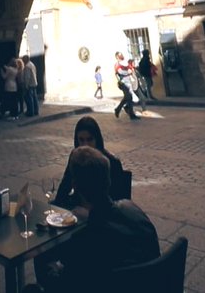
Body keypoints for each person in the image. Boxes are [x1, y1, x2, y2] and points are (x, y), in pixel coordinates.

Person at [34, 147, 159, 292]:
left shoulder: (86, 238)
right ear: (108, 179)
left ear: (74, 185)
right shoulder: (134, 210)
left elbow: (67, 280)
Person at [53, 116, 127, 209]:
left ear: (97, 139)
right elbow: (65, 185)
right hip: (79, 206)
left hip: (103, 212)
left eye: (89, 139)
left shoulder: (112, 162)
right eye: (81, 140)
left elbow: (117, 201)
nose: (85, 145)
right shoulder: (76, 156)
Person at [113, 53, 139, 120]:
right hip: (123, 82)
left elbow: (130, 69)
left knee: (127, 97)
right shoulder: (117, 64)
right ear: (117, 57)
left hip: (129, 81)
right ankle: (131, 114)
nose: (122, 56)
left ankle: (118, 109)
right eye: (120, 55)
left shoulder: (125, 63)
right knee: (129, 97)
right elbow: (118, 73)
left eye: (121, 54)